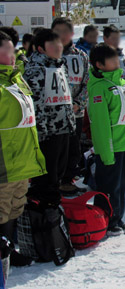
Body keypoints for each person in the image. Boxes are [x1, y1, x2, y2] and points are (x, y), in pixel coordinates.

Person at [0, 31, 46, 267]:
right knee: (1, 208)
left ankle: (7, 250)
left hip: (22, 158)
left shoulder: (16, 78)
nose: (14, 53)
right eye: (8, 49)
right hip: (4, 161)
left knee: (14, 208)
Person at [87, 44, 125, 236]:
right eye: (112, 59)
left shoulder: (122, 83)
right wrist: (106, 152)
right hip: (111, 146)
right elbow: (100, 124)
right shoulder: (99, 88)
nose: (117, 62)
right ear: (99, 64)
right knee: (109, 186)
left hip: (124, 143)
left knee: (122, 184)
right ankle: (106, 220)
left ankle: (118, 216)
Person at [24, 29, 76, 204]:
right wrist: (42, 131)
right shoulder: (35, 69)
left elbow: (66, 96)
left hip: (62, 127)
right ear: (40, 49)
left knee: (58, 173)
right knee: (47, 176)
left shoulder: (60, 65)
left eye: (59, 43)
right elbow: (35, 103)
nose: (58, 47)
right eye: (53, 45)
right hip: (47, 131)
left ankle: (54, 208)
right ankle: (45, 211)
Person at [52, 17, 89, 196]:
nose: (62, 36)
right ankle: (56, 182)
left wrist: (78, 103)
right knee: (57, 149)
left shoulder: (81, 56)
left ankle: (68, 180)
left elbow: (87, 82)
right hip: (56, 115)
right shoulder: (49, 57)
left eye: (66, 32)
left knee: (74, 147)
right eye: (58, 31)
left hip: (76, 112)